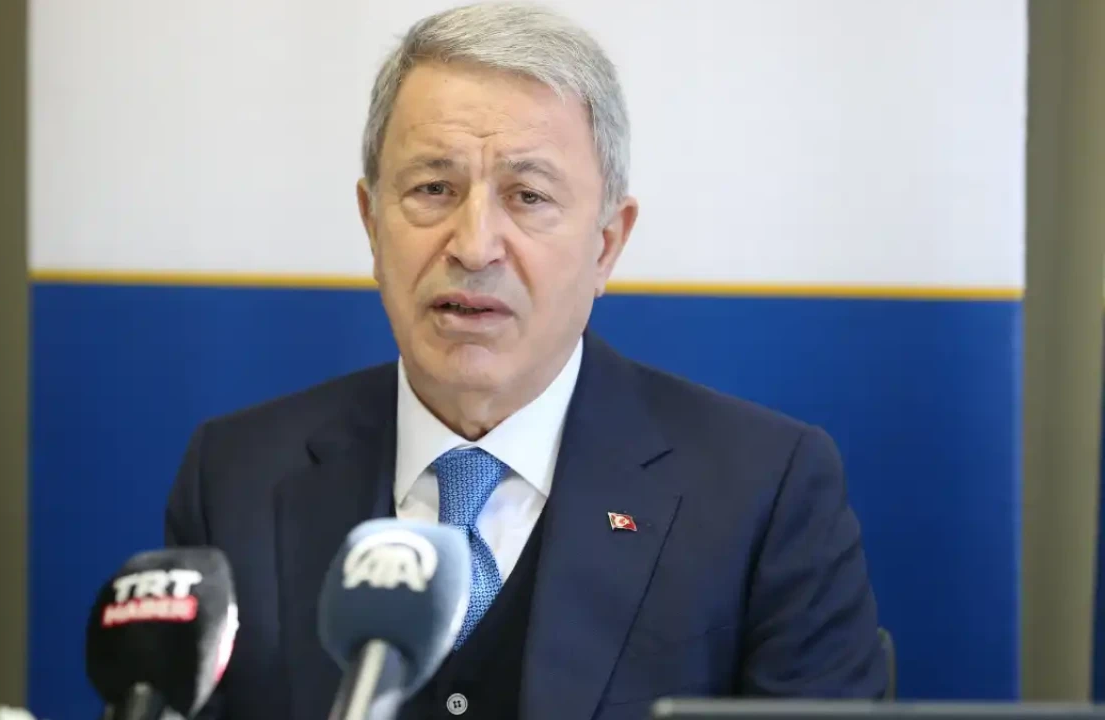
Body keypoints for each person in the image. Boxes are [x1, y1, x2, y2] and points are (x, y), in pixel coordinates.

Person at [164, 3, 887, 718]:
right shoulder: (236, 480)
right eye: (433, 189)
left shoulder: (762, 492)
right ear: (372, 224)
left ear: (606, 244)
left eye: (528, 196)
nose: (474, 246)